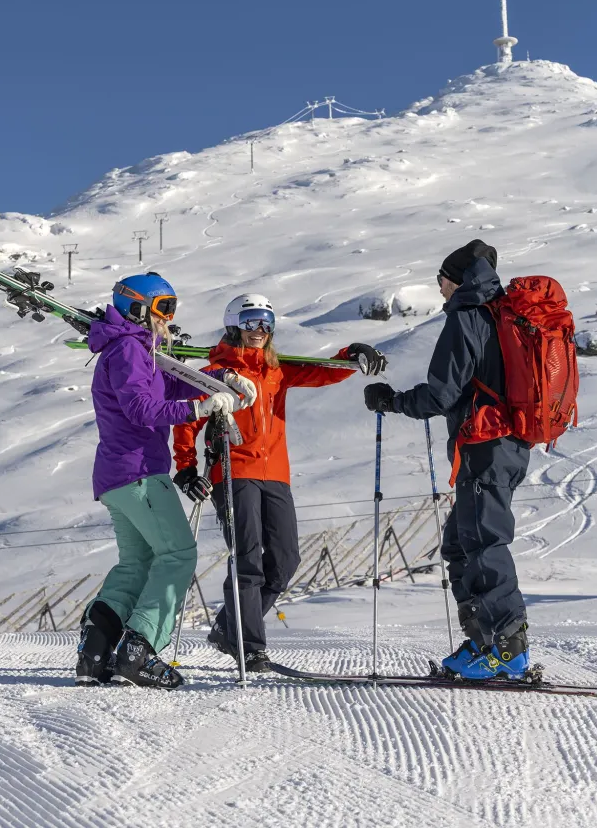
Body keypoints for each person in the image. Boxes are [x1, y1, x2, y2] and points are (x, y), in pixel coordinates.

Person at [172, 293, 387, 672]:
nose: (260, 330)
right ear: (234, 324)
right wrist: (186, 467)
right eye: (252, 321)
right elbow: (187, 421)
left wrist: (351, 354)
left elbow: (323, 371)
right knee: (248, 561)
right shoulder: (217, 373)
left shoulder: (277, 371)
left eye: (266, 323)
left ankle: (228, 627)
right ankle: (250, 647)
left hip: (276, 476)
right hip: (234, 473)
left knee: (285, 562)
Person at [76, 272, 255, 689]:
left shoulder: (133, 349)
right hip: (139, 474)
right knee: (177, 555)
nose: (169, 318)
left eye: (172, 308)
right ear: (137, 308)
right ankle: (138, 649)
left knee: (137, 562)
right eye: (163, 308)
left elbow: (170, 382)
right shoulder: (128, 350)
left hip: (118, 477)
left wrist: (219, 376)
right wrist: (201, 408)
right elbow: (143, 408)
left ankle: (96, 650)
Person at [363, 240, 532, 680]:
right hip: (505, 447)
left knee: (483, 543)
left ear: (454, 279)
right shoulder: (501, 312)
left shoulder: (468, 315)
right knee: (461, 542)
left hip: (485, 447)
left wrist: (392, 401)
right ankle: (484, 640)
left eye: (440, 280)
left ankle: (508, 648)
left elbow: (441, 393)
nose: (438, 290)